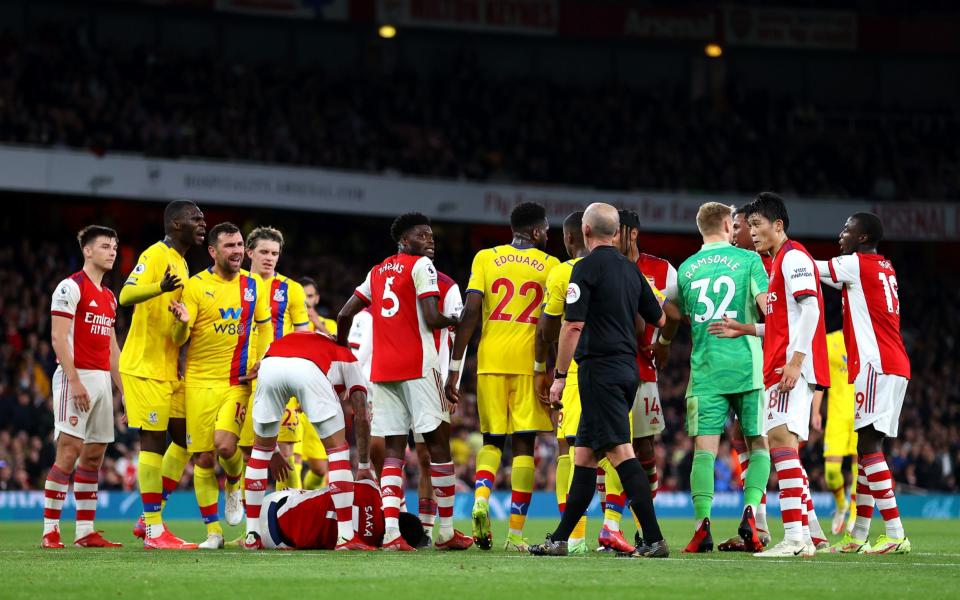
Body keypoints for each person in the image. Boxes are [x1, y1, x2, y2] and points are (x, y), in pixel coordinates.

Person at [529, 203, 668, 558]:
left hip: (599, 371)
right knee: (585, 456)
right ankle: (560, 539)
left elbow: (572, 326)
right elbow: (660, 318)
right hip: (627, 369)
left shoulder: (585, 269)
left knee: (621, 451)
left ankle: (654, 538)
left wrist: (559, 376)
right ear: (617, 233)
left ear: (586, 232)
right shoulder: (630, 269)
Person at [337, 212, 472, 551]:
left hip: (383, 372)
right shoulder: (421, 267)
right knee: (439, 448)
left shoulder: (377, 270)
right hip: (420, 368)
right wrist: (457, 319)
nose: (430, 241)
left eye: (432, 236)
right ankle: (445, 531)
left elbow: (343, 315)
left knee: (395, 452)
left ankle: (392, 533)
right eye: (423, 235)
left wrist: (341, 351)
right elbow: (430, 316)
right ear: (404, 240)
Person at [709, 193, 830, 558]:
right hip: (782, 364)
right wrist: (744, 329)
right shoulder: (777, 263)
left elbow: (810, 311)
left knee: (779, 442)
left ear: (778, 225)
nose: (752, 231)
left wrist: (795, 361)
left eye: (757, 224)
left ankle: (795, 538)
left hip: (789, 368)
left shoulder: (793, 257)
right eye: (751, 225)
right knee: (783, 446)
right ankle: (807, 536)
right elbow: (782, 324)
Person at [445, 202, 559, 552]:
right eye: (547, 231)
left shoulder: (485, 257)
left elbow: (471, 312)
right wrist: (549, 371)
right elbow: (548, 326)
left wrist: (454, 368)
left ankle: (480, 498)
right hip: (529, 364)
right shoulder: (551, 265)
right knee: (525, 444)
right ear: (538, 232)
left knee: (492, 440)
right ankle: (515, 535)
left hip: (489, 361)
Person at [168, 222, 273, 549]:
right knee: (202, 458)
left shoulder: (253, 284)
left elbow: (265, 326)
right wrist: (183, 324)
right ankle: (213, 532)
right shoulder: (196, 286)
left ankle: (233, 484)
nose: (238, 251)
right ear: (213, 251)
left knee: (226, 446)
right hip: (199, 382)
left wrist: (264, 359)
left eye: (240, 244)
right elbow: (178, 339)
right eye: (229, 246)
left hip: (236, 381)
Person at [673, 203, 770, 553]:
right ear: (729, 225)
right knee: (758, 445)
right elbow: (769, 308)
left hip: (705, 372)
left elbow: (677, 314)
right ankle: (751, 516)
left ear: (701, 229)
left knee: (704, 453)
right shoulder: (749, 261)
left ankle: (702, 528)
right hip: (747, 369)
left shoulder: (685, 270)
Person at [815, 213, 912, 554]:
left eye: (847, 229)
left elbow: (812, 270)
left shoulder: (855, 264)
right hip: (894, 363)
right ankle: (858, 535)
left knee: (870, 450)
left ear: (862, 236)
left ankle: (896, 533)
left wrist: (783, 254)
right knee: (866, 450)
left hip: (875, 365)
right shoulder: (883, 266)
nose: (840, 234)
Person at [122, 200, 206, 550]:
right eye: (195, 218)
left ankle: (149, 518)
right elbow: (125, 295)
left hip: (169, 368)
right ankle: (155, 530)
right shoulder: (156, 255)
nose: (202, 223)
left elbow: (176, 335)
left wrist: (184, 323)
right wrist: (159, 287)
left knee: (187, 438)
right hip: (144, 365)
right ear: (175, 224)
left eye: (203, 219)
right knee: (153, 441)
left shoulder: (183, 265)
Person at [242, 331, 374, 551]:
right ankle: (345, 536)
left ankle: (251, 535)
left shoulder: (302, 339)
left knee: (260, 450)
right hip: (308, 369)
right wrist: (363, 465)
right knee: (338, 451)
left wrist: (273, 450)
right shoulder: (350, 359)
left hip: (271, 362)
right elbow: (361, 415)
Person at [42, 226, 124, 549]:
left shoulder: (109, 298)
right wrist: (74, 379)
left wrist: (124, 394)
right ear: (87, 251)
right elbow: (58, 337)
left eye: (114, 247)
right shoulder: (70, 288)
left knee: (93, 457)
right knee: (69, 452)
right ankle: (50, 530)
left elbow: (113, 351)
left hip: (102, 379)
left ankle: (84, 531)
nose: (112, 251)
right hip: (75, 376)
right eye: (105, 246)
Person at [613, 209, 682, 549]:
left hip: (643, 372)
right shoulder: (603, 263)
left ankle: (644, 524)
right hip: (607, 371)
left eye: (618, 231)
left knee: (643, 449)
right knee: (602, 449)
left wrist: (664, 344)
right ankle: (611, 527)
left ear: (633, 233)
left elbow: (675, 315)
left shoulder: (662, 270)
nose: (612, 237)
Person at [536, 211, 597, 554]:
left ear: (571, 238)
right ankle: (617, 527)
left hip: (575, 369)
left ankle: (573, 536)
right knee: (618, 451)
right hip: (614, 367)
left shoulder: (562, 271)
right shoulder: (617, 266)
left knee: (571, 449)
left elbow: (548, 329)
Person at [238, 227, 311, 490]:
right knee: (246, 452)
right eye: (264, 252)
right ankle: (251, 526)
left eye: (274, 253)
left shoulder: (291, 289)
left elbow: (303, 336)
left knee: (286, 451)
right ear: (249, 253)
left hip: (281, 378)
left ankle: (285, 520)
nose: (269, 258)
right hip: (241, 376)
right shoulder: (235, 284)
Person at [717, 205, 772, 550]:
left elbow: (779, 319)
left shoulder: (765, 266)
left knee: (775, 444)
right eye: (740, 226)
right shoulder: (743, 266)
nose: (740, 233)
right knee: (744, 438)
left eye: (745, 226)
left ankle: (806, 529)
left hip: (769, 367)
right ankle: (759, 524)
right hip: (746, 367)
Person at [253, 477, 424, 550]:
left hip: (273, 502)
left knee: (327, 493)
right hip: (275, 540)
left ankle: (248, 535)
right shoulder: (366, 544)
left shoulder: (371, 490)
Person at [822, 329, 859, 536]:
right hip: (836, 416)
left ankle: (854, 514)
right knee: (831, 472)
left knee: (858, 470)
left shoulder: (866, 337)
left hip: (860, 413)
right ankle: (841, 504)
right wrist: (816, 412)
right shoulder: (830, 341)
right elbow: (820, 379)